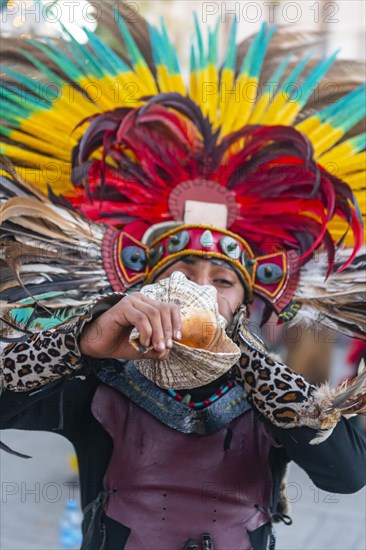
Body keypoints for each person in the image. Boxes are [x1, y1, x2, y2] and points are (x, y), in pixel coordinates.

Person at [1, 7, 365, 550]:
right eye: (180, 272)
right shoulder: (101, 377)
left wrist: (245, 358)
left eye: (222, 280)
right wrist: (81, 341)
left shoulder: (275, 385)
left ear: (249, 302)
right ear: (142, 287)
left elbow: (347, 474)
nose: (199, 288)